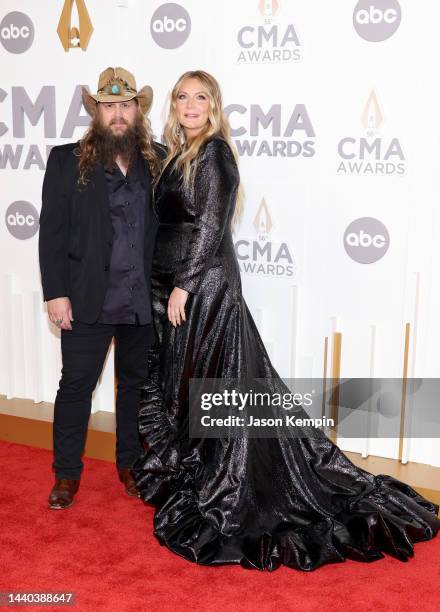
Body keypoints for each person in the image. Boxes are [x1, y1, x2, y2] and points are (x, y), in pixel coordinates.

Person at [132, 70, 440, 571]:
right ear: (174, 105)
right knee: (188, 383)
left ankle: (226, 480)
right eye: (183, 97)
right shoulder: (176, 155)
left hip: (202, 288)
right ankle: (200, 470)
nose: (191, 105)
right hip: (171, 287)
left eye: (201, 97)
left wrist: (184, 285)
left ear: (214, 106)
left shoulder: (213, 154)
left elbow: (210, 225)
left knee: (213, 383)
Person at [39, 67, 166, 509]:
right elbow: (51, 232)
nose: (117, 114)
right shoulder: (66, 160)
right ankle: (66, 475)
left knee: (135, 387)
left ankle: (130, 463)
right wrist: (55, 293)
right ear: (96, 112)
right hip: (87, 298)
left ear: (138, 111)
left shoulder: (160, 160)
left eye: (125, 105)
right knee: (75, 386)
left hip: (141, 302)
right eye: (108, 106)